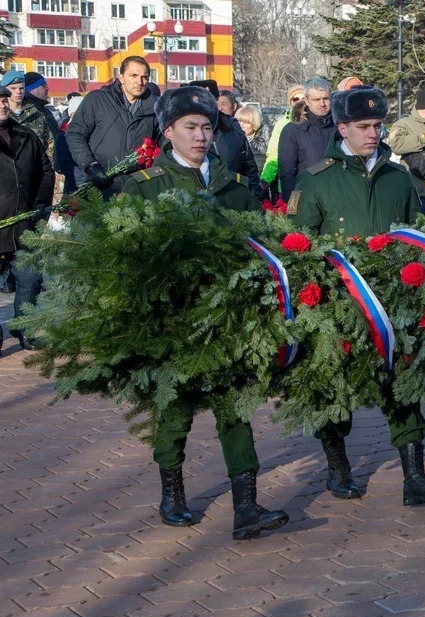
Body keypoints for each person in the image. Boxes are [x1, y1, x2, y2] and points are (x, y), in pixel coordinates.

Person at [119, 87, 288, 540]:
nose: (200, 135)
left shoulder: (232, 189)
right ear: (168, 131)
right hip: (175, 322)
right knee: (174, 410)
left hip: (230, 319)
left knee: (236, 409)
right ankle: (172, 493)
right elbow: (129, 259)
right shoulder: (146, 187)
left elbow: (260, 247)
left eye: (207, 126)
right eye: (190, 127)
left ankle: (247, 506)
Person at [290, 85, 425, 506]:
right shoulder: (316, 179)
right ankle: (338, 467)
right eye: (362, 126)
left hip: (393, 305)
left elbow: (416, 236)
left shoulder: (397, 178)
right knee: (334, 388)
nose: (372, 133)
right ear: (341, 127)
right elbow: (298, 247)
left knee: (403, 386)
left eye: (378, 125)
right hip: (339, 305)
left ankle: (414, 476)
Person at [0, 86, 53, 352]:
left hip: (23, 221)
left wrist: (41, 203)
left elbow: (45, 170)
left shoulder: (24, 134)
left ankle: (24, 327)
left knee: (31, 278)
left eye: (3, 100)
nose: (2, 105)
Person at [65, 56, 158, 199]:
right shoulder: (98, 100)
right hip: (99, 186)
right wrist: (90, 165)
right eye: (133, 75)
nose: (139, 82)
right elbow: (75, 134)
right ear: (121, 77)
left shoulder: (154, 108)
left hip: (136, 189)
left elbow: (163, 143)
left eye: (144, 77)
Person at [187, 81, 260, 190]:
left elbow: (250, 169)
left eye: (209, 101)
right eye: (199, 101)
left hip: (232, 199)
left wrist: (256, 200)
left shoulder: (233, 128)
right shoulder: (180, 132)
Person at [277, 77, 334, 202]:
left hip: (338, 198)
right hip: (308, 200)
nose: (322, 104)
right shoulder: (292, 131)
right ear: (307, 101)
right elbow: (287, 173)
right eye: (316, 99)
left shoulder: (340, 127)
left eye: (325, 98)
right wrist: (292, 206)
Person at [261, 84, 305, 192]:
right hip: (287, 186)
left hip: (310, 183)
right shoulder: (281, 124)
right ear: (290, 102)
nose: (299, 102)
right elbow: (274, 155)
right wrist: (264, 180)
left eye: (303, 99)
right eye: (295, 99)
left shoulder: (315, 122)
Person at [234, 104, 269, 176]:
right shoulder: (231, 142)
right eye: (239, 121)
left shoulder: (264, 145)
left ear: (254, 123)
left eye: (246, 122)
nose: (241, 125)